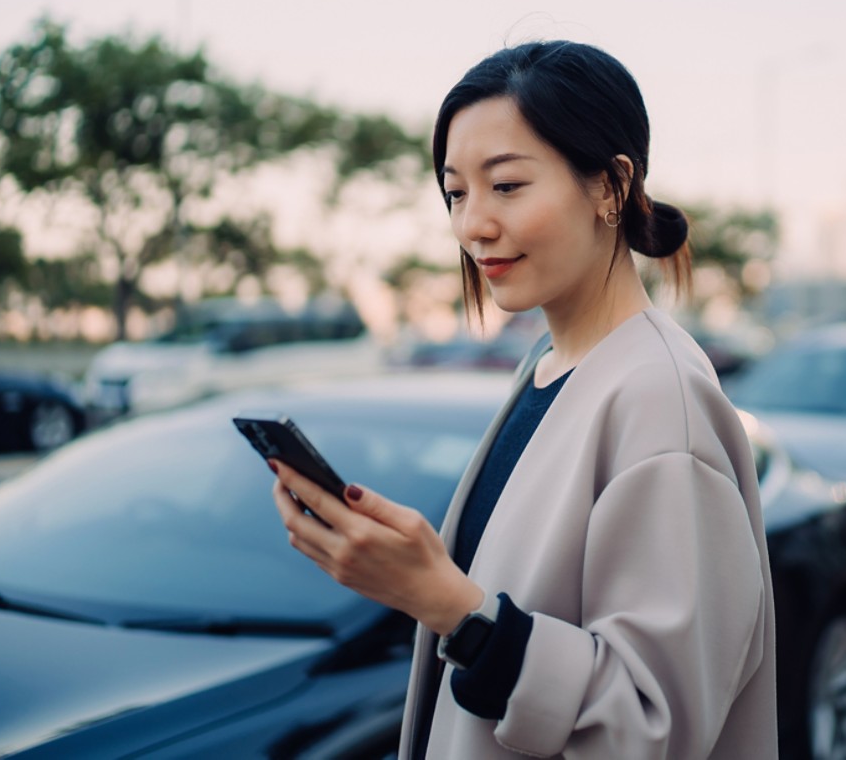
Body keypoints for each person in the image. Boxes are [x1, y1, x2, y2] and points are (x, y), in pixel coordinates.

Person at [271, 40, 777, 759]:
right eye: (455, 192)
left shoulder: (662, 401)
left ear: (610, 186)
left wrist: (447, 604)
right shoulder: (550, 364)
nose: (472, 224)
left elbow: (648, 728)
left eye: (506, 186)